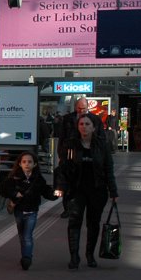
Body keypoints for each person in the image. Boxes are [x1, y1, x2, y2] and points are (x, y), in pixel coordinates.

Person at [54, 115, 119, 269]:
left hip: (97, 190)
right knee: (74, 221)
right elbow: (62, 168)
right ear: (78, 127)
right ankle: (74, 256)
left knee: (93, 223)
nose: (84, 126)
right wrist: (60, 187)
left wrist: (113, 191)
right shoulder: (70, 145)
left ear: (94, 127)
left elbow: (108, 169)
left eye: (87, 124)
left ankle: (90, 255)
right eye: (81, 124)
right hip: (76, 190)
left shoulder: (102, 145)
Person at [0, 151, 58, 270]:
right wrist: (14, 193)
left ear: (34, 164)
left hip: (32, 211)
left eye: (30, 162)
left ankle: (27, 258)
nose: (27, 164)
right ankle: (24, 256)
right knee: (22, 235)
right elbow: (3, 189)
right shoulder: (13, 178)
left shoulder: (38, 179)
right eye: (24, 162)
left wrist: (55, 194)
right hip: (19, 211)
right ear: (20, 164)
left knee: (27, 235)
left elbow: (46, 191)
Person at [57, 97, 104, 217]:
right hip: (70, 153)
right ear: (75, 107)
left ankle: (86, 205)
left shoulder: (95, 119)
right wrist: (61, 154)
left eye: (83, 108)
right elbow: (62, 137)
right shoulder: (68, 119)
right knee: (68, 180)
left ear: (88, 107)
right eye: (79, 108)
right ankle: (67, 208)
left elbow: (102, 138)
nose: (81, 111)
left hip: (88, 152)